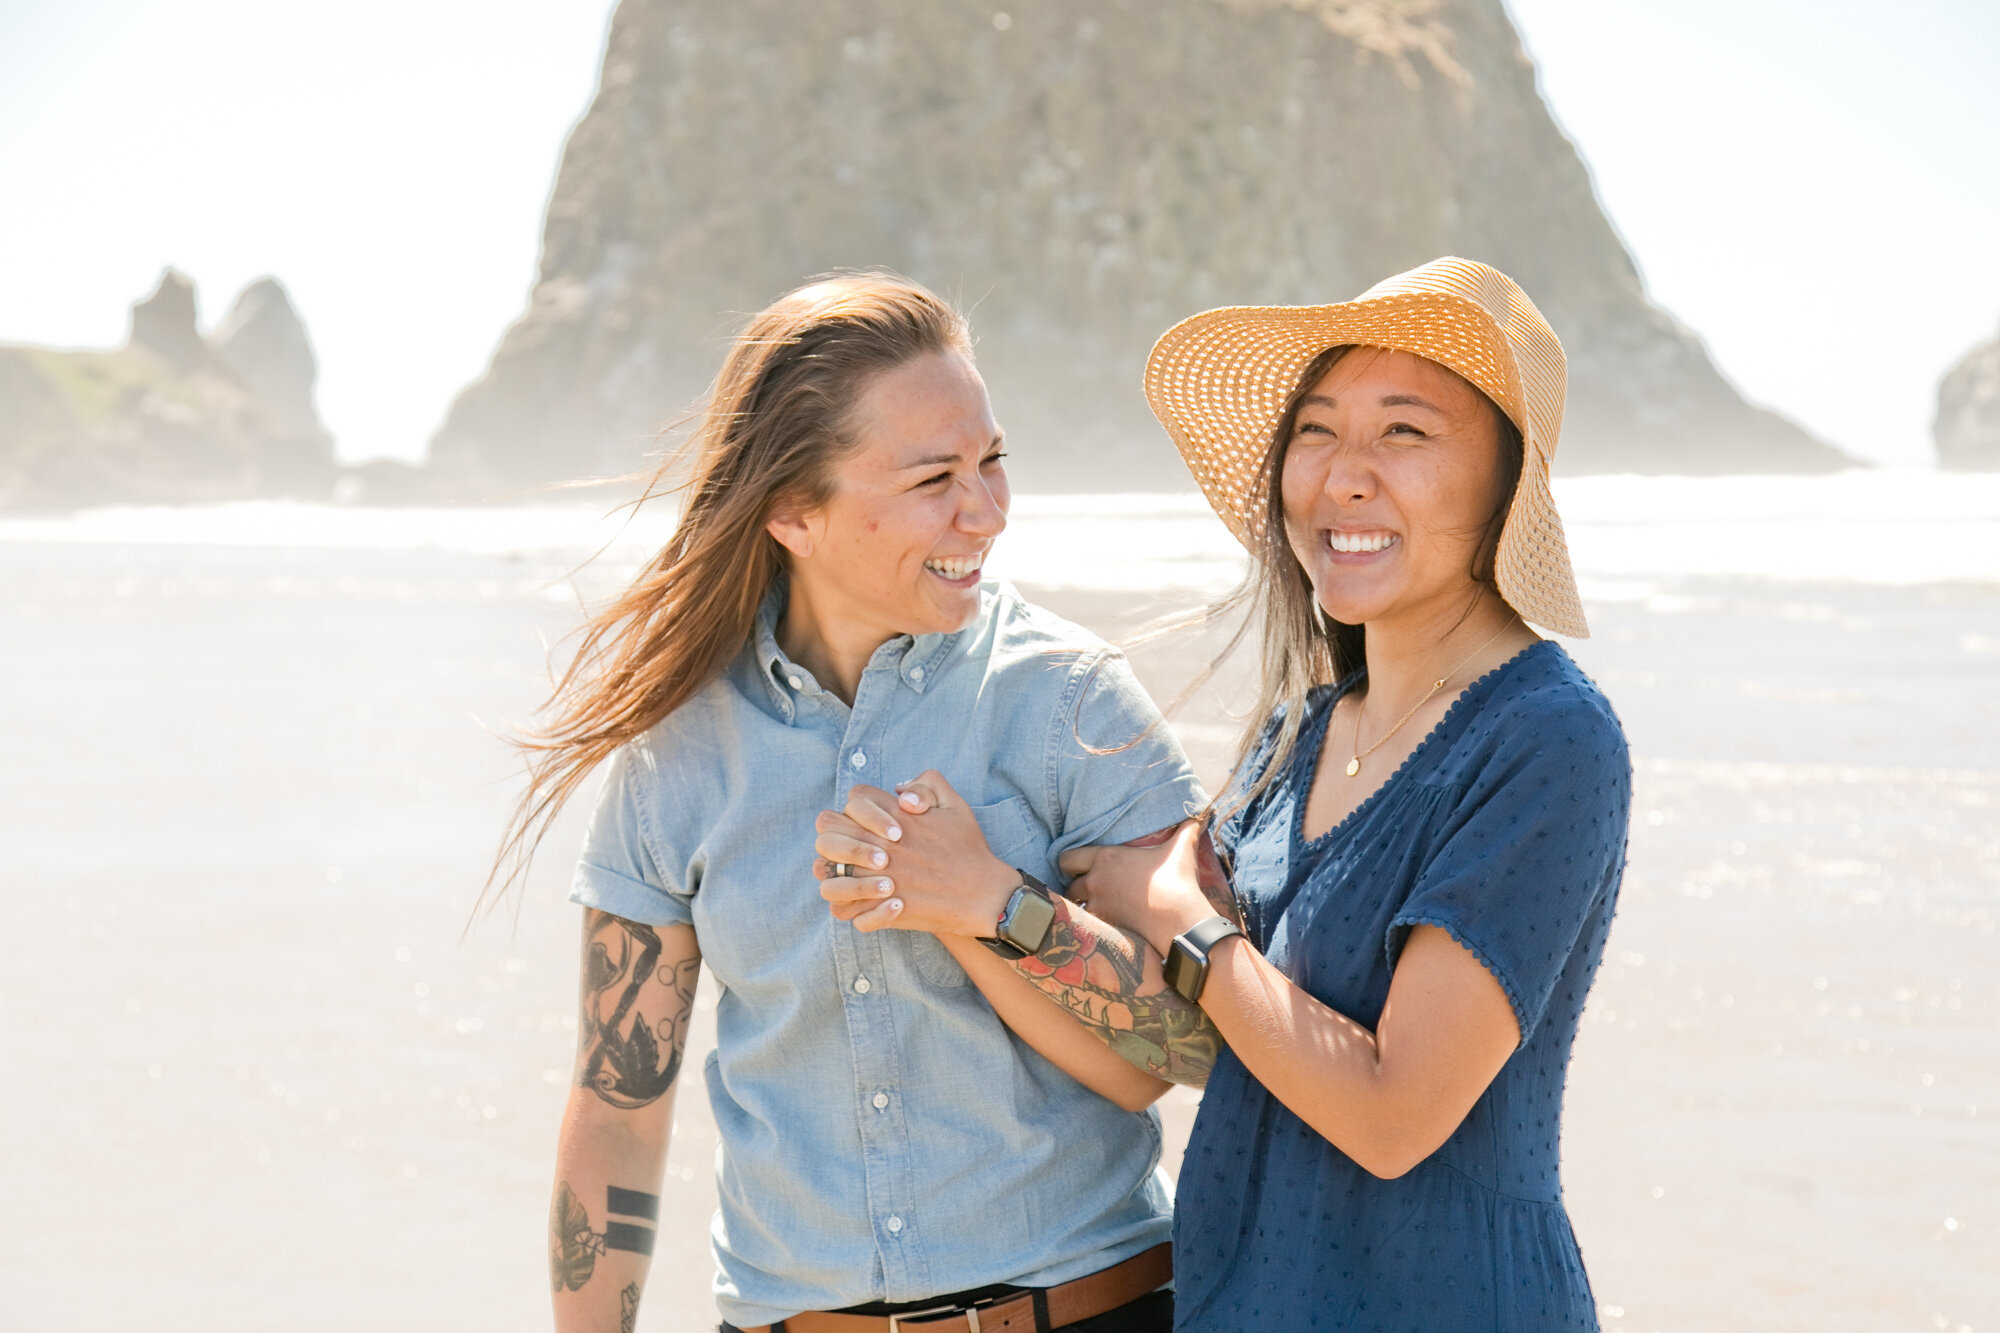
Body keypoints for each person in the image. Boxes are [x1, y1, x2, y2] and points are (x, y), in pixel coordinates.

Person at [821, 258, 1631, 1331]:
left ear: (1503, 484)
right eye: (1315, 431)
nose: (1342, 477)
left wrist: (1179, 917)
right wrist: (986, 904)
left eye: (1403, 432)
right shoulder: (1300, 737)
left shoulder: (1542, 736)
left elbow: (1391, 1112)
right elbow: (1190, 1040)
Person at [507, 272, 1219, 1333]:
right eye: (935, 475)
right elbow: (618, 1107)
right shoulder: (678, 748)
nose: (984, 510)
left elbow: (1177, 1052)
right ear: (792, 509)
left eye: (991, 461)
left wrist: (989, 904)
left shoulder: (1067, 699)